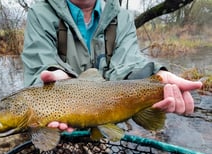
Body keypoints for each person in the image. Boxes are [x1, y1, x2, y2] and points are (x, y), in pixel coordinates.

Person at [21, 0, 202, 133]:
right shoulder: (40, 13)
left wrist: (157, 77)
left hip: (104, 125)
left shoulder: (122, 17)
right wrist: (54, 75)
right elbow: (39, 63)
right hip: (56, 129)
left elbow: (129, 62)